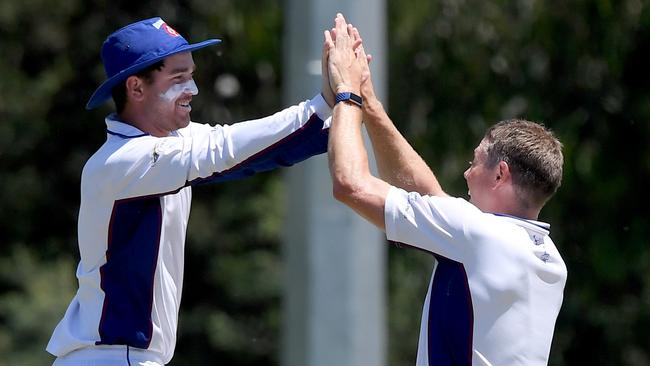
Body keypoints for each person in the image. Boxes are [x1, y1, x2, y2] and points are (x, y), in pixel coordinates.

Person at [47, 17, 335, 365]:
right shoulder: (120, 160)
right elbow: (224, 150)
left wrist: (346, 107)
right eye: (178, 78)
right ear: (136, 88)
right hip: (113, 358)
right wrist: (325, 102)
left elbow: (257, 151)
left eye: (191, 75)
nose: (193, 89)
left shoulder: (170, 141)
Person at [325, 13, 567, 365]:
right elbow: (431, 199)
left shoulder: (476, 234)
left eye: (475, 161)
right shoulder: (547, 256)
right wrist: (372, 105)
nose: (467, 174)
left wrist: (347, 93)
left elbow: (350, 184)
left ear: (500, 174)